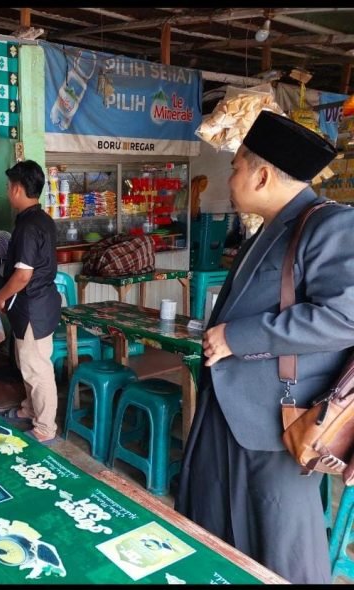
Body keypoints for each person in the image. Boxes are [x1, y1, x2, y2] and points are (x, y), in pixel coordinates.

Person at [175, 110, 354, 584]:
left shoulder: (328, 226)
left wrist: (237, 336)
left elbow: (346, 316)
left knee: (280, 544)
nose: (230, 177)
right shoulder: (271, 227)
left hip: (281, 421)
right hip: (230, 410)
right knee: (211, 524)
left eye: (235, 167)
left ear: (262, 175)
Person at [0, 160, 61, 445]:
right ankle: (29, 409)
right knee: (27, 362)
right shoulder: (39, 219)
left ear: (18, 189)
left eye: (9, 187)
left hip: (34, 305)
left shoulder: (29, 226)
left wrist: (0, 296)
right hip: (37, 304)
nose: (8, 192)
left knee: (37, 368)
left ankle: (45, 428)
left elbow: (22, 275)